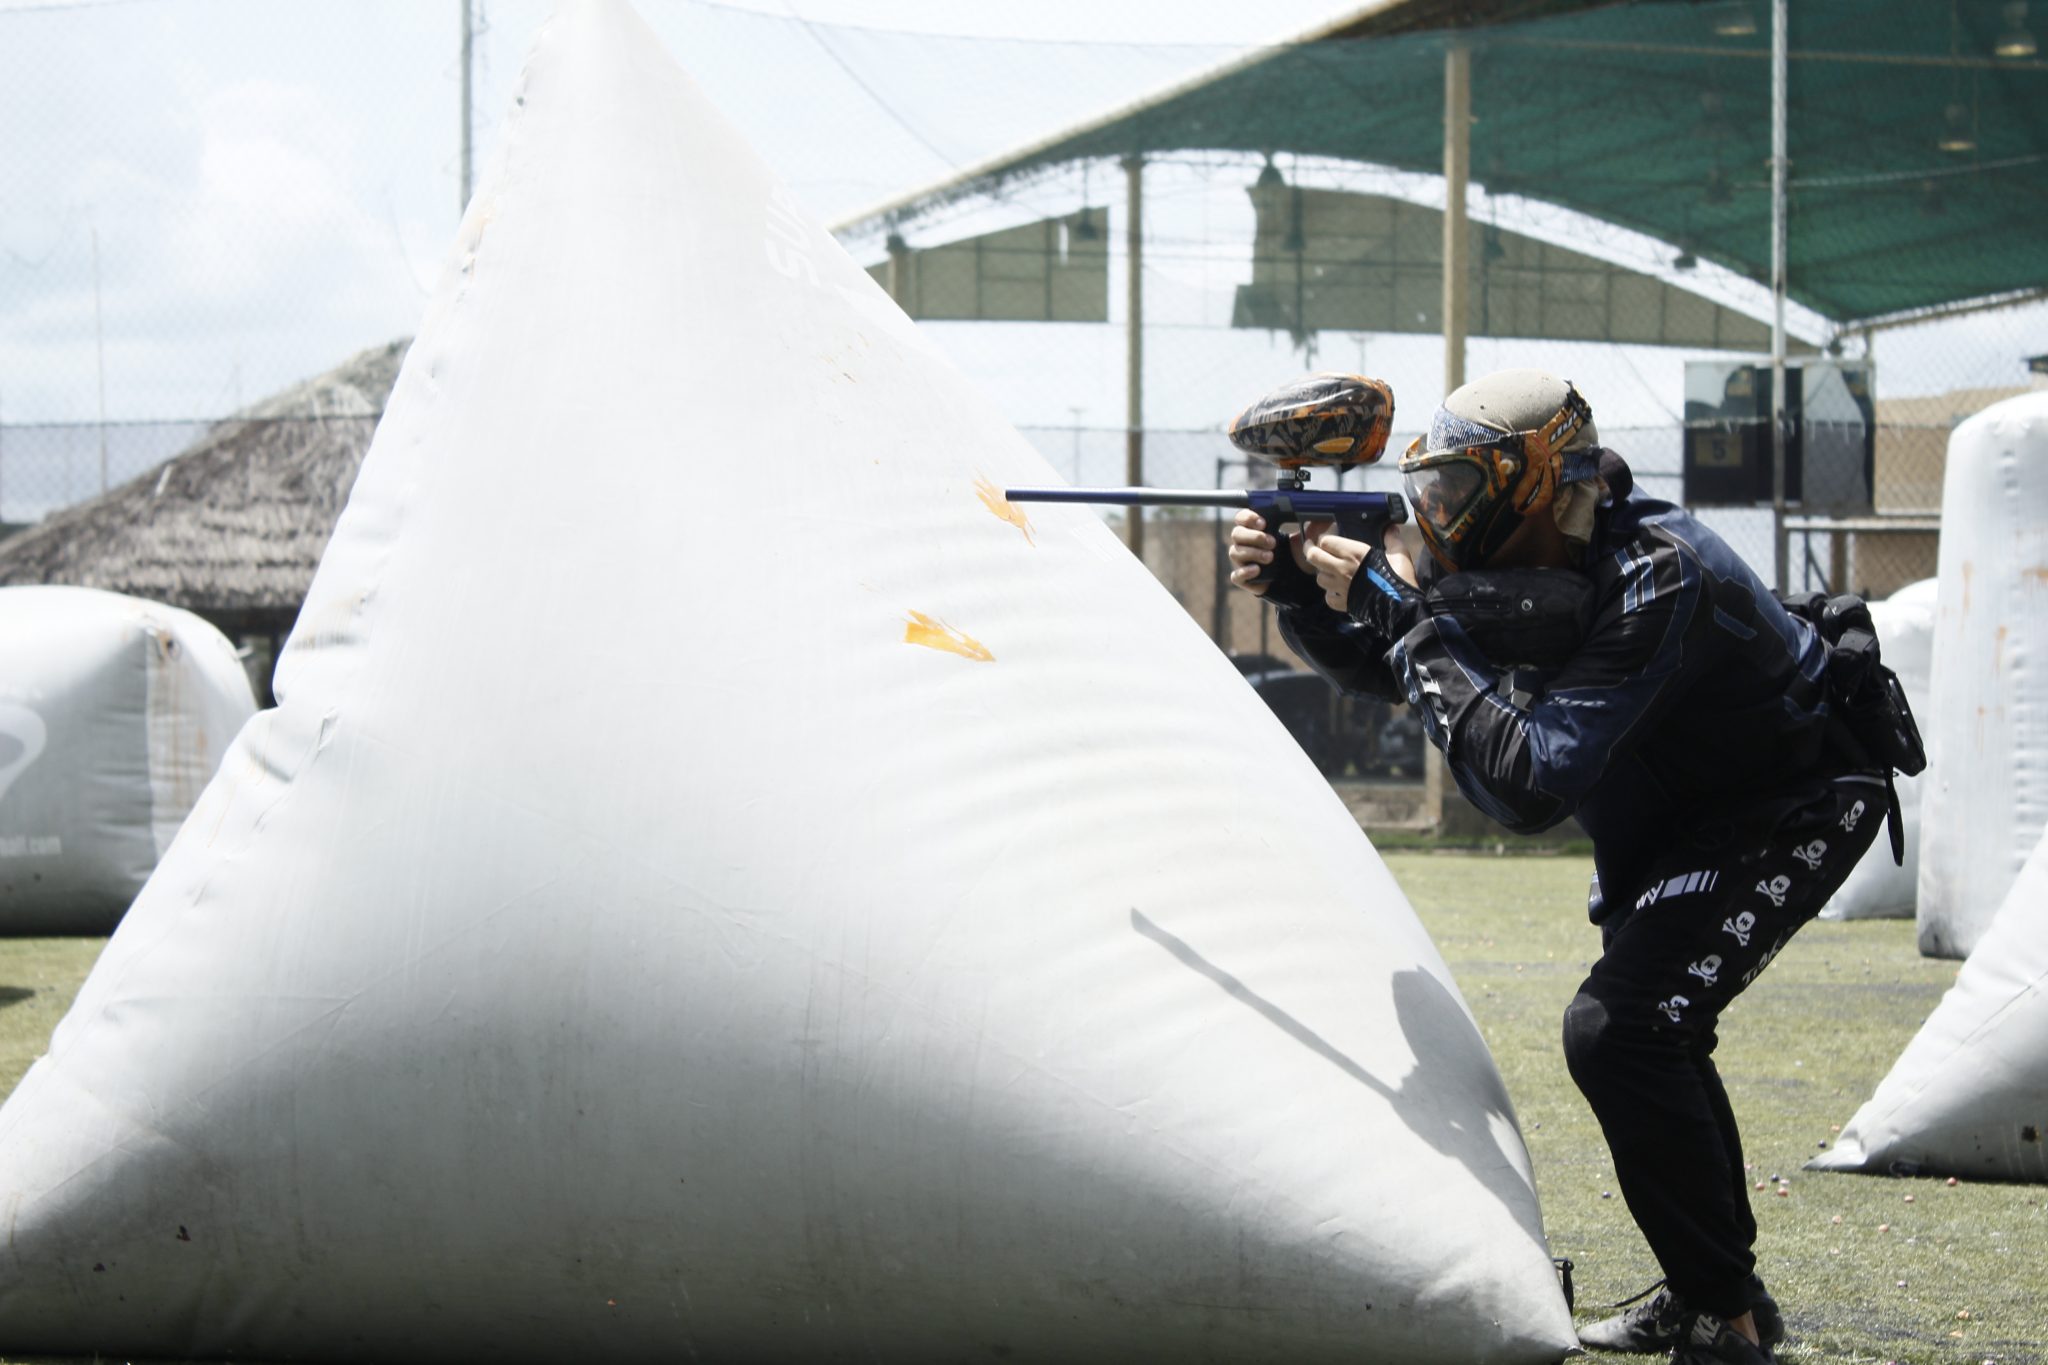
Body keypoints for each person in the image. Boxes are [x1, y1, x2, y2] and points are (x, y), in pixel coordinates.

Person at [1227, 369, 1900, 1365]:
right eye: (1428, 491)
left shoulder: (1663, 572)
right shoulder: (1523, 565)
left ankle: (1724, 1323)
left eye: (1453, 491)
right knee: (1655, 1030)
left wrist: (1408, 619)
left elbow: (1527, 786)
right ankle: (1719, 1292)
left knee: (1621, 1030)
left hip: (1790, 798)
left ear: (1532, 481)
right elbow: (1393, 667)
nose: (1435, 516)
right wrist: (1304, 594)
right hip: (1671, 813)